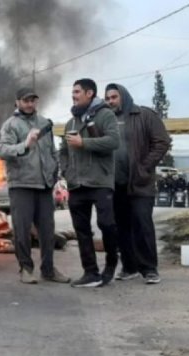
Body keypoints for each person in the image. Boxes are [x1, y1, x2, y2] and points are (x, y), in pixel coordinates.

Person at [0, 87, 70, 284]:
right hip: (21, 185)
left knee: (47, 230)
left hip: (44, 185)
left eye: (33, 100)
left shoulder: (45, 124)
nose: (30, 104)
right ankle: (26, 268)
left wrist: (54, 173)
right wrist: (25, 145)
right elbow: (1, 150)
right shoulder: (10, 125)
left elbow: (52, 152)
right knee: (22, 230)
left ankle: (48, 270)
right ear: (18, 102)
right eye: (26, 100)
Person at [104, 83, 171, 284]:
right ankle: (129, 267)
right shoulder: (107, 119)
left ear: (123, 96)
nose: (110, 101)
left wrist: (144, 167)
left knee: (142, 225)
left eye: (114, 97)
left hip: (140, 183)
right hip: (115, 185)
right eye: (107, 98)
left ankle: (149, 269)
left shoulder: (144, 115)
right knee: (121, 227)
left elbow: (162, 141)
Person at [60, 78, 120, 288]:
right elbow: (63, 151)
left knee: (107, 224)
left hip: (100, 182)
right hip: (77, 184)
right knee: (81, 230)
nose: (73, 95)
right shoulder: (71, 122)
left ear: (89, 93)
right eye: (73, 92)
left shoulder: (106, 115)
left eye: (77, 92)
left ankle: (112, 263)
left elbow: (114, 142)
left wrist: (83, 142)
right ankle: (90, 273)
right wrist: (67, 171)